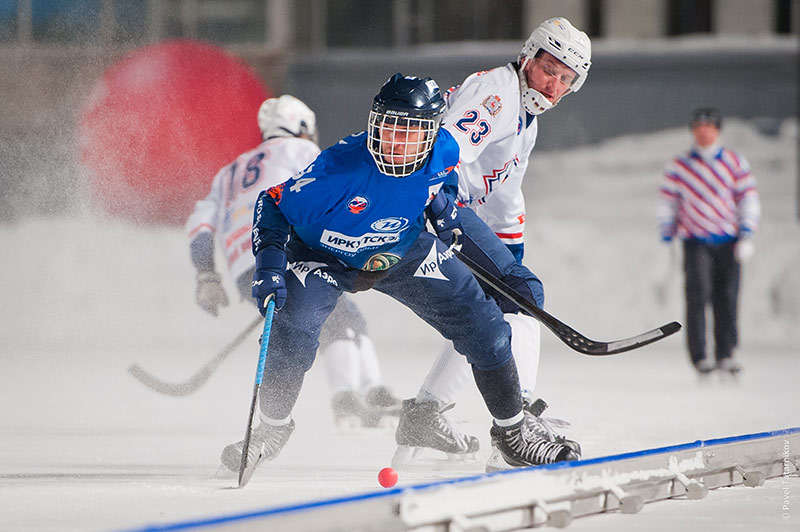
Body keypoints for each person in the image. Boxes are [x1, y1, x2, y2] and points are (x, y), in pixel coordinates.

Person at [219, 73, 579, 476]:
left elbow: (438, 180)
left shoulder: (445, 149)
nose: (395, 139)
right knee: (295, 329)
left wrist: (441, 208)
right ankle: (271, 430)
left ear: (431, 135)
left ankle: (513, 434)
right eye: (388, 125)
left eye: (410, 131)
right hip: (325, 257)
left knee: (486, 324)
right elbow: (273, 203)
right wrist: (269, 265)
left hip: (398, 249)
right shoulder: (340, 168)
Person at [393, 17, 591, 471]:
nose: (554, 84)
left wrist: (510, 253)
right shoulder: (497, 95)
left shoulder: (526, 121)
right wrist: (436, 202)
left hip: (437, 206)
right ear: (528, 57)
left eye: (566, 79)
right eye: (549, 70)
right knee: (521, 298)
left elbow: (505, 194)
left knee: (491, 305)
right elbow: (444, 149)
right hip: (426, 205)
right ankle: (516, 425)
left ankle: (425, 414)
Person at [185, 94, 400, 428]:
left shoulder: (229, 171)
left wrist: (206, 275)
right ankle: (352, 398)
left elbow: (200, 225)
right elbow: (331, 195)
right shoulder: (300, 151)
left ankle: (370, 390)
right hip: (286, 249)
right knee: (336, 314)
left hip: (246, 268)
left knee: (334, 316)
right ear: (300, 127)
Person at [657, 108, 761, 377]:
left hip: (728, 241)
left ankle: (726, 353)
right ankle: (700, 356)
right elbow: (668, 201)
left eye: (709, 126)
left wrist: (747, 232)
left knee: (727, 297)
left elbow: (747, 198)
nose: (703, 132)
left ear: (717, 130)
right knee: (697, 296)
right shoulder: (680, 166)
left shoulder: (734, 162)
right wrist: (667, 235)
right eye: (699, 127)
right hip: (696, 241)